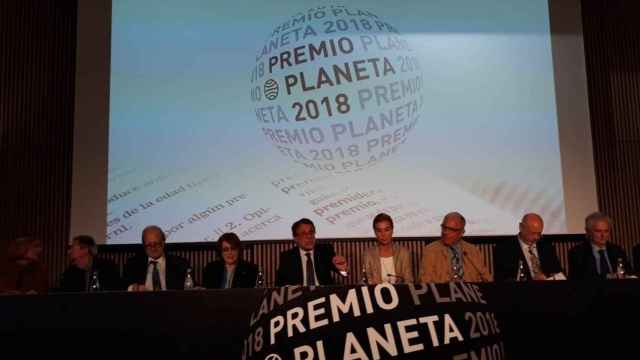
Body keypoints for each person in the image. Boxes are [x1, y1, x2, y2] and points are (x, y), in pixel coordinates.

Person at [419, 212, 492, 283]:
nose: (445, 232)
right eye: (444, 227)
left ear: (462, 232)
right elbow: (425, 281)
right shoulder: (430, 250)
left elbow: (487, 278)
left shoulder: (472, 250)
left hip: (470, 293)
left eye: (451, 229)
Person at [275, 218, 348, 286]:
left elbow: (345, 274)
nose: (309, 236)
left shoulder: (325, 251)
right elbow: (279, 285)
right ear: (295, 238)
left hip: (324, 295)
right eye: (304, 233)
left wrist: (342, 269)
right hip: (300, 297)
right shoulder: (287, 256)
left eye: (311, 232)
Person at [493, 213, 564, 281]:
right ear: (521, 227)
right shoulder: (504, 249)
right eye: (532, 233)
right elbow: (503, 279)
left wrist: (548, 278)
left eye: (539, 234)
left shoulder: (546, 247)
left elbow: (559, 273)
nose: (536, 237)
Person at [123, 225, 191, 291]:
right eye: (149, 245)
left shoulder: (180, 264)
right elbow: (121, 287)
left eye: (156, 243)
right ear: (144, 245)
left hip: (172, 301)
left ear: (163, 242)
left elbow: (191, 287)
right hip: (142, 301)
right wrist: (133, 288)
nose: (153, 248)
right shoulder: (133, 264)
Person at [568, 212, 631, 280]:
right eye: (598, 231)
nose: (603, 235)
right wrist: (606, 277)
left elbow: (629, 272)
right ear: (588, 231)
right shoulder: (578, 252)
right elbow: (581, 277)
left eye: (606, 231)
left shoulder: (617, 250)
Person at [363, 213, 413, 284]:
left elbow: (409, 280)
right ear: (375, 232)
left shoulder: (403, 253)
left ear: (392, 230)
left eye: (387, 230)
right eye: (379, 231)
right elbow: (367, 281)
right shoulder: (368, 254)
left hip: (400, 293)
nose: (383, 234)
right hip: (375, 293)